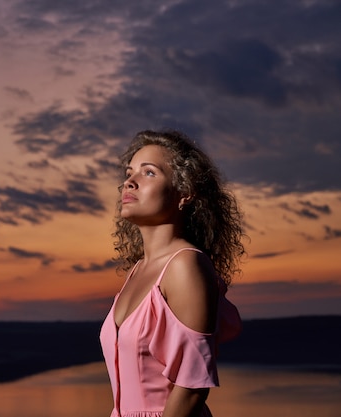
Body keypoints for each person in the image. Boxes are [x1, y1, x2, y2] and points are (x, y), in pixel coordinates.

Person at [100, 129, 245, 417]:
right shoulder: (138, 270)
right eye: (129, 173)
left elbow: (191, 391)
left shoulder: (185, 266)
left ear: (185, 193)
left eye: (149, 173)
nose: (129, 181)